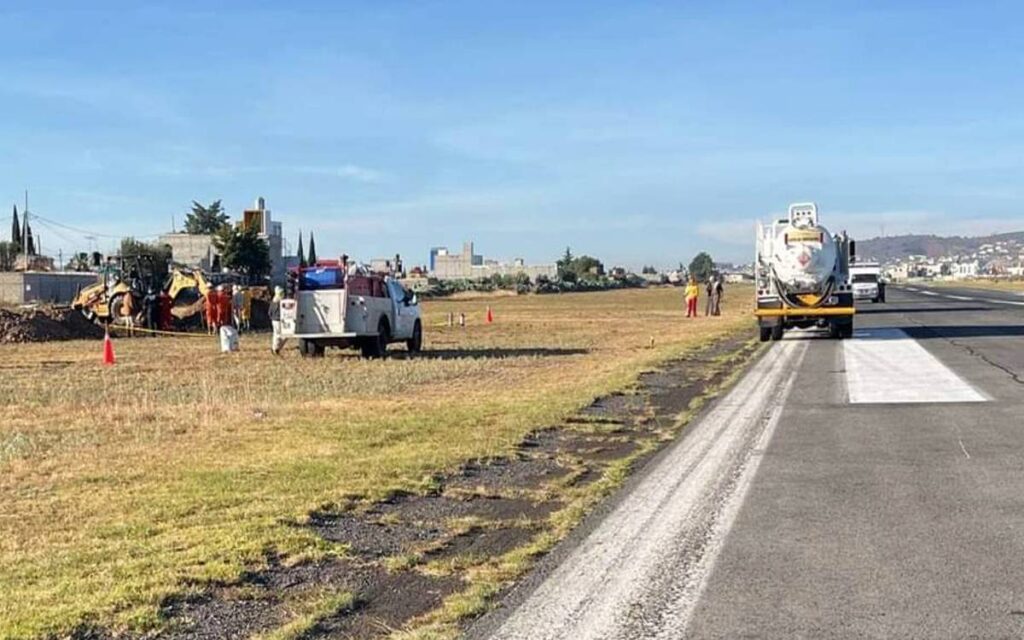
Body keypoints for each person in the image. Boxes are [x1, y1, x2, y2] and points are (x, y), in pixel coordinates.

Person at [270, 286, 285, 355]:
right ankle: (276, 348)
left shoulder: (273, 301)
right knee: (282, 335)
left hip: (273, 320)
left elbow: (269, 312)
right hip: (279, 320)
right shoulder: (280, 302)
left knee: (275, 335)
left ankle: (274, 348)